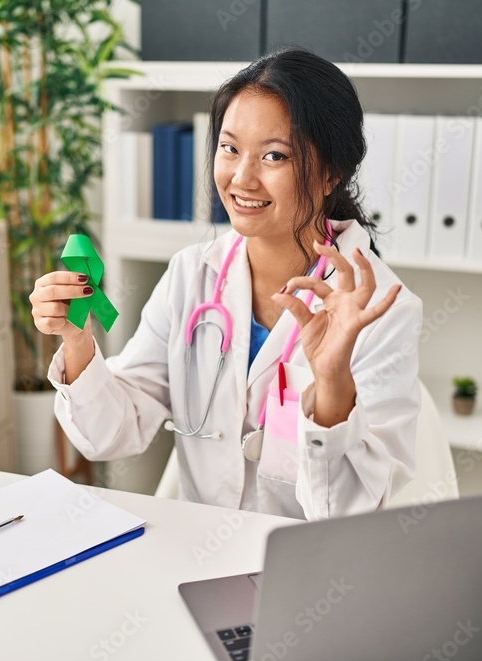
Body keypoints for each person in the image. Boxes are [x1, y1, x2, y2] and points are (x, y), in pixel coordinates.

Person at [29, 48, 422, 520]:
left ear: (331, 173)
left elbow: (348, 513)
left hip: (304, 571)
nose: (241, 177)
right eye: (230, 148)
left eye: (274, 155)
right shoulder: (191, 275)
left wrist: (333, 384)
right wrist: (77, 340)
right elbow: (113, 434)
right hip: (197, 556)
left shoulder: (383, 311)